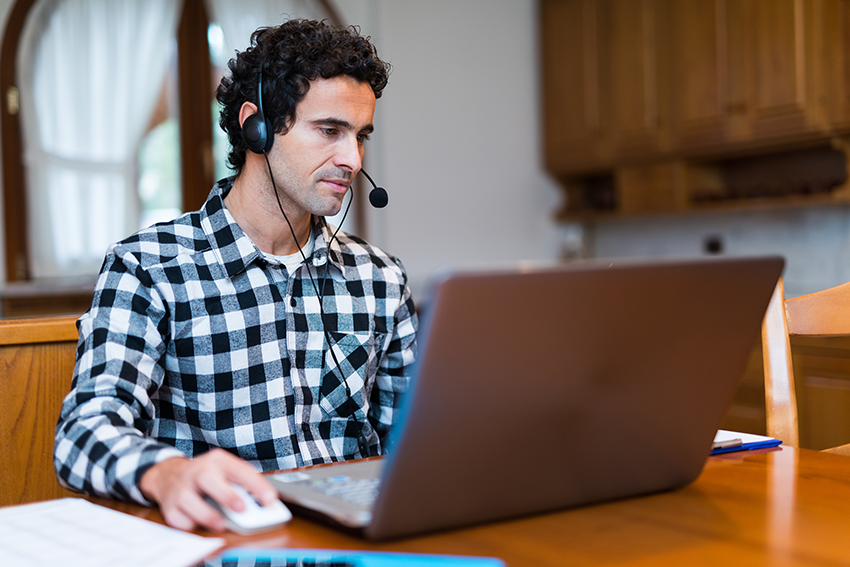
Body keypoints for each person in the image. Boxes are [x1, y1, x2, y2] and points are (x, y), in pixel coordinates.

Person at [53, 19, 417, 533]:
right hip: (227, 542)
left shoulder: (381, 278)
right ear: (257, 127)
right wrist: (167, 473)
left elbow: (411, 444)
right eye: (330, 131)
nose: (352, 160)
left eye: (361, 136)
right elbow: (83, 435)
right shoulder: (150, 268)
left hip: (355, 546)